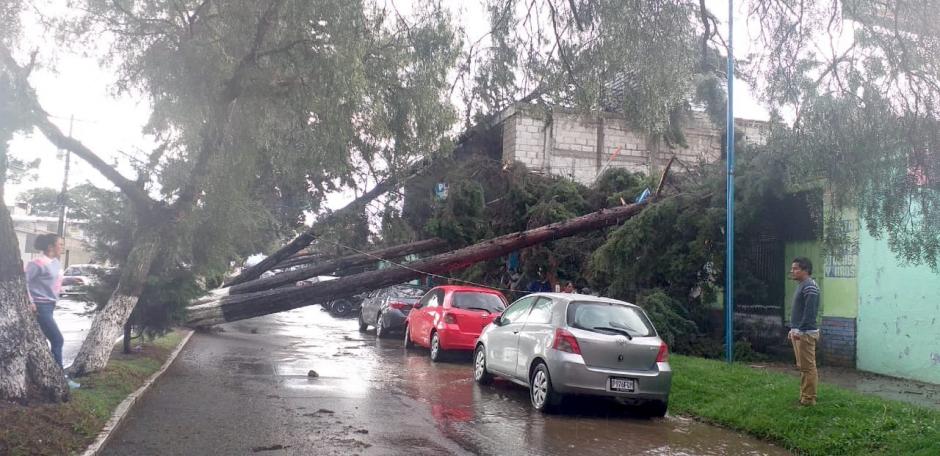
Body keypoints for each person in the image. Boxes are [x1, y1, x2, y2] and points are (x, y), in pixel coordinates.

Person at [25, 234, 79, 388]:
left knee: (41, 341)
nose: (62, 247)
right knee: (57, 340)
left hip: (51, 305)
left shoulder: (56, 263)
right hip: (40, 307)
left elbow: (55, 281)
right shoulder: (36, 263)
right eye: (60, 244)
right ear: (50, 247)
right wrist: (31, 302)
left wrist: (70, 280)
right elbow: (24, 283)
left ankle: (45, 376)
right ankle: (60, 379)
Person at [788, 256, 820, 406]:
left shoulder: (810, 286)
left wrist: (800, 330)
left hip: (805, 333)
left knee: (808, 367)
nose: (792, 271)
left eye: (795, 268)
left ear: (805, 270)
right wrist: (793, 329)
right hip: (799, 332)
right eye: (792, 268)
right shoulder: (802, 285)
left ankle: (809, 399)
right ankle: (804, 396)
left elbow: (810, 313)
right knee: (803, 367)